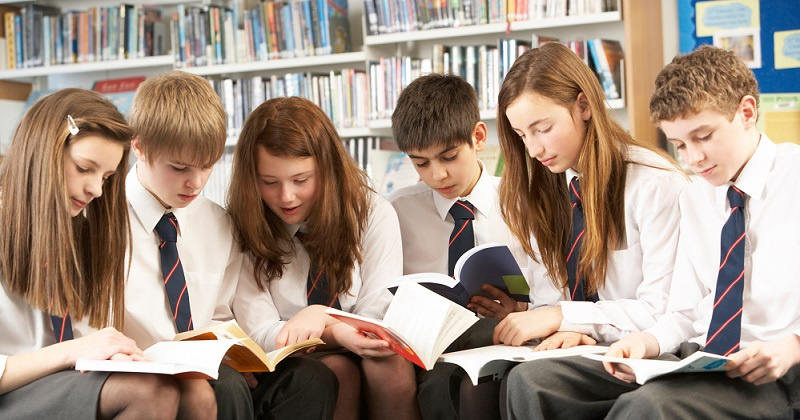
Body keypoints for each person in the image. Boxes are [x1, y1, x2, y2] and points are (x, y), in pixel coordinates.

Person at [85, 71, 336, 419]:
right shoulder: (101, 221)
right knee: (226, 387)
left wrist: (228, 349)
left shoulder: (217, 222)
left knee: (310, 379)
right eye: (180, 168)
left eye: (208, 165)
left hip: (207, 362)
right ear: (139, 147)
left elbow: (220, 313)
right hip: (140, 368)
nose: (197, 182)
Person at [581, 45, 800, 419]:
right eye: (679, 144)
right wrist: (646, 343)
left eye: (703, 137)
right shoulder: (697, 196)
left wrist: (793, 346)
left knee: (647, 407)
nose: (691, 158)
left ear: (746, 112)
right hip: (700, 359)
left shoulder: (793, 178)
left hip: (775, 371)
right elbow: (685, 310)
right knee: (539, 382)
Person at [492, 42, 687, 417]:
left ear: (583, 106)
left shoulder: (654, 184)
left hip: (647, 351)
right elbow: (550, 297)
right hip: (585, 346)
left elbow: (664, 310)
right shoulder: (547, 189)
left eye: (543, 128)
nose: (533, 149)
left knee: (531, 380)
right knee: (514, 377)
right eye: (521, 135)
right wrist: (565, 324)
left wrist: (566, 318)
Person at [229, 96, 420, 420]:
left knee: (389, 364)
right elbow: (259, 331)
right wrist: (331, 330)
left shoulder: (372, 214)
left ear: (328, 169)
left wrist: (322, 316)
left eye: (301, 180)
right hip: (290, 360)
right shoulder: (246, 226)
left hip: (366, 348)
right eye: (269, 183)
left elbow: (377, 317)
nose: (286, 197)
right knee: (338, 371)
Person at [0, 88, 180, 418]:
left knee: (191, 387)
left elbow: (80, 336)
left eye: (107, 177)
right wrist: (73, 351)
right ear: (42, 153)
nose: (96, 190)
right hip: (12, 392)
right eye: (84, 168)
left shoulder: (76, 228)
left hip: (57, 383)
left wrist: (111, 353)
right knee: (151, 393)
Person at [388, 73, 529, 420]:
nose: (437, 175)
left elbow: (548, 287)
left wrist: (521, 310)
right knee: (438, 381)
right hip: (426, 344)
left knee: (456, 379)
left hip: (504, 336)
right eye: (421, 163)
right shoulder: (397, 210)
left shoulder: (521, 202)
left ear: (478, 137)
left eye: (448, 157)